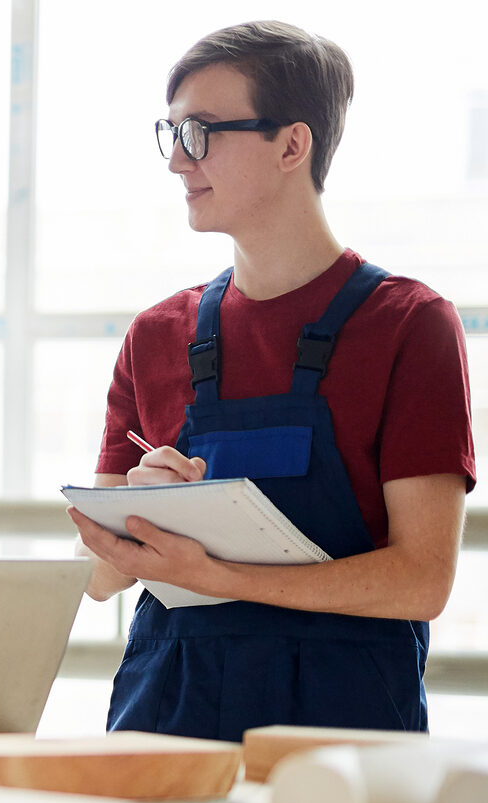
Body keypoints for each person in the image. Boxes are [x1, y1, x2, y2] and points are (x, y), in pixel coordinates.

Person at [69, 21, 474, 741]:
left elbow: (422, 579)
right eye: (171, 134)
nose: (177, 162)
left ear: (292, 144)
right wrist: (138, 513)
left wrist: (217, 575)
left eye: (201, 133)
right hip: (166, 719)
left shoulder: (411, 326)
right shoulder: (155, 334)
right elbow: (97, 579)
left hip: (341, 738)